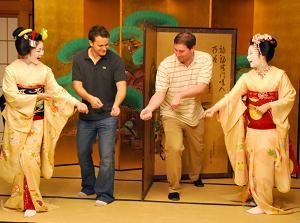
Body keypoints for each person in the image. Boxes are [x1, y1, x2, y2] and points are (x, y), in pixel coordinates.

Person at [0, 27, 88, 218]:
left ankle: (31, 201)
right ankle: (19, 198)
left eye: (42, 49)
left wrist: (75, 103)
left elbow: (57, 91)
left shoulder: (45, 71)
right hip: (18, 121)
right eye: (38, 49)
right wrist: (37, 96)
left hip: (37, 121)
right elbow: (11, 96)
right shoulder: (11, 70)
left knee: (30, 159)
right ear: (26, 49)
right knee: (18, 160)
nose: (42, 53)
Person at [204, 34, 297, 214]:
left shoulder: (279, 76)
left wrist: (268, 105)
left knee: (264, 166)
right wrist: (214, 108)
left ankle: (264, 204)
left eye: (251, 54)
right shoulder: (247, 77)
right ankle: (256, 197)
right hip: (252, 130)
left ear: (262, 54)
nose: (248, 57)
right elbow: (231, 96)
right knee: (252, 164)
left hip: (271, 131)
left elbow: (289, 97)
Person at [140, 32, 213, 201]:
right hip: (171, 113)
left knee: (198, 148)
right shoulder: (166, 65)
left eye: (181, 51)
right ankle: (174, 187)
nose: (177, 54)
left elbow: (202, 86)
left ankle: (195, 176)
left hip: (194, 112)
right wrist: (150, 108)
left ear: (193, 48)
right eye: (175, 50)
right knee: (173, 148)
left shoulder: (204, 59)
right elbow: (160, 93)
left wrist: (180, 94)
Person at [72, 25, 126, 206]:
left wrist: (117, 105)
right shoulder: (79, 58)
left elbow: (122, 87)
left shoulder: (115, 60)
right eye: (100, 45)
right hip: (86, 116)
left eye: (106, 45)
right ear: (91, 43)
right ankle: (88, 186)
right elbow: (77, 84)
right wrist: (88, 98)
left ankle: (105, 194)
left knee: (107, 157)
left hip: (108, 116)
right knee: (82, 152)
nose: (104, 49)